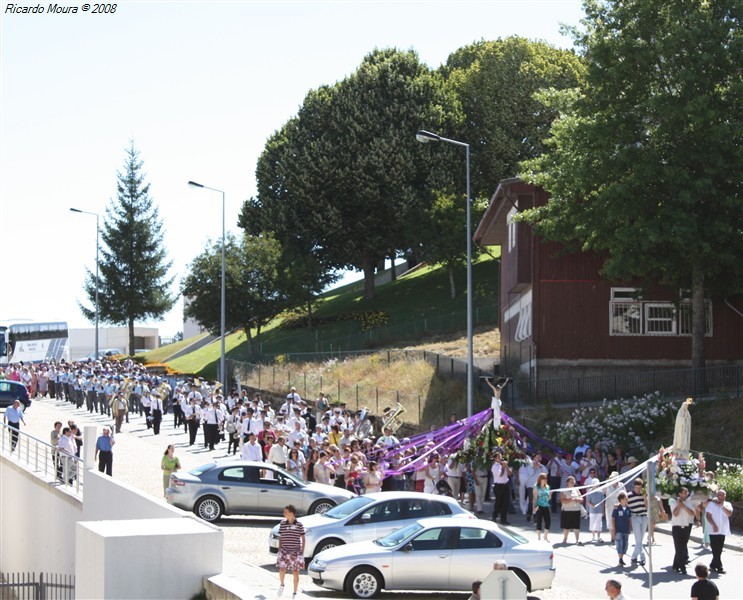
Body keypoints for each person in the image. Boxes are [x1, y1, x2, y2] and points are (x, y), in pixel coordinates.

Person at [276, 504, 305, 600]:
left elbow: (303, 538)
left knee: (295, 572)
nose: (283, 514)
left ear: (291, 513)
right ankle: (282, 584)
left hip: (295, 552)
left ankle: (294, 593)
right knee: (282, 570)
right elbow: (281, 537)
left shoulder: (299, 525)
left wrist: (302, 552)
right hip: (284, 551)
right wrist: (279, 550)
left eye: (285, 512)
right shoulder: (282, 524)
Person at [705, 489, 733, 574]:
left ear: (725, 496)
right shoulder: (711, 504)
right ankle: (719, 567)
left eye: (722, 495)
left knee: (719, 549)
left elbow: (729, 514)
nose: (720, 497)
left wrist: (721, 506)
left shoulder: (727, 504)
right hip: (713, 530)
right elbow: (708, 516)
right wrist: (714, 525)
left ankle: (713, 565)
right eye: (718, 495)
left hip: (722, 530)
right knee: (715, 548)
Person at [669, 486, 696, 574]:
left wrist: (683, 506)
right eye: (684, 493)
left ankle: (675, 565)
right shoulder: (674, 501)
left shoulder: (689, 502)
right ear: (680, 494)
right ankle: (682, 567)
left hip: (686, 527)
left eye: (687, 493)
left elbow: (692, 514)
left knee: (682, 547)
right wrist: (679, 506)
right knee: (678, 547)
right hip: (677, 526)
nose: (686, 494)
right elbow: (675, 514)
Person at [626, 478, 648, 565]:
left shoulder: (643, 494)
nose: (638, 490)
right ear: (634, 487)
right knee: (638, 539)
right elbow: (626, 507)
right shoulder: (629, 495)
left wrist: (645, 498)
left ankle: (634, 556)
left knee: (640, 539)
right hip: (635, 517)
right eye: (636, 488)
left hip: (644, 516)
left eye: (639, 488)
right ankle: (643, 557)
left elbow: (647, 507)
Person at [560, 475, 583, 544]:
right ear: (567, 483)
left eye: (573, 482)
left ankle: (577, 540)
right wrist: (571, 499)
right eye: (571, 482)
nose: (572, 483)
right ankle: (565, 539)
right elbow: (563, 500)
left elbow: (582, 499)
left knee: (576, 526)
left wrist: (577, 499)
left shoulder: (577, 489)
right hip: (567, 510)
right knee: (566, 526)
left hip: (576, 509)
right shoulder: (564, 490)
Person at [491, 451, 512, 525]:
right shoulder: (495, 466)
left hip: (505, 485)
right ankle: (494, 517)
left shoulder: (503, 465)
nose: (500, 458)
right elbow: (500, 474)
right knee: (498, 503)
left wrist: (506, 467)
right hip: (498, 486)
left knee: (505, 503)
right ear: (495, 458)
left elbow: (510, 474)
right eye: (499, 457)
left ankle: (503, 519)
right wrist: (503, 467)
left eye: (501, 457)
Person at [612, 492, 632, 567]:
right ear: (621, 500)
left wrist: (630, 528)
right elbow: (613, 519)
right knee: (619, 544)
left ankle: (622, 557)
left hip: (625, 529)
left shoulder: (628, 508)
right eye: (625, 498)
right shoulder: (617, 508)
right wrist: (614, 529)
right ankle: (620, 559)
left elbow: (629, 519)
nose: (627, 500)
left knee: (625, 544)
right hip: (619, 530)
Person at [532, 473, 551, 542]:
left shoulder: (547, 487)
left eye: (546, 478)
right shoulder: (536, 487)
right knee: (539, 521)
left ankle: (545, 536)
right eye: (544, 478)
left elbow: (548, 498)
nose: (545, 480)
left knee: (548, 521)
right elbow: (535, 498)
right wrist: (534, 507)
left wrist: (550, 495)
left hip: (546, 506)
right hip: (539, 506)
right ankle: (539, 537)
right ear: (540, 479)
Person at [586, 477, 605, 543]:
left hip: (599, 510)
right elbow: (588, 501)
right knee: (592, 523)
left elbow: (602, 502)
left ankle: (598, 537)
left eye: (597, 484)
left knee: (599, 523)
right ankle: (593, 536)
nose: (596, 485)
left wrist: (603, 511)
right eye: (595, 484)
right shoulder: (590, 492)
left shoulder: (600, 492)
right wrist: (592, 506)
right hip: (592, 511)